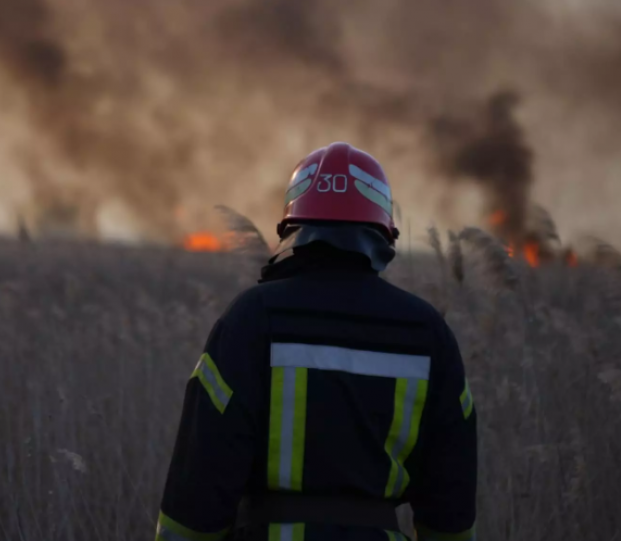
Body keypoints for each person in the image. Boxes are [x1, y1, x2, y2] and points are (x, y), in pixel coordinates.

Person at [155, 142, 477, 541]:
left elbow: (197, 490)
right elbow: (452, 505)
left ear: (292, 230)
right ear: (383, 233)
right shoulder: (428, 333)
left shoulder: (253, 319)